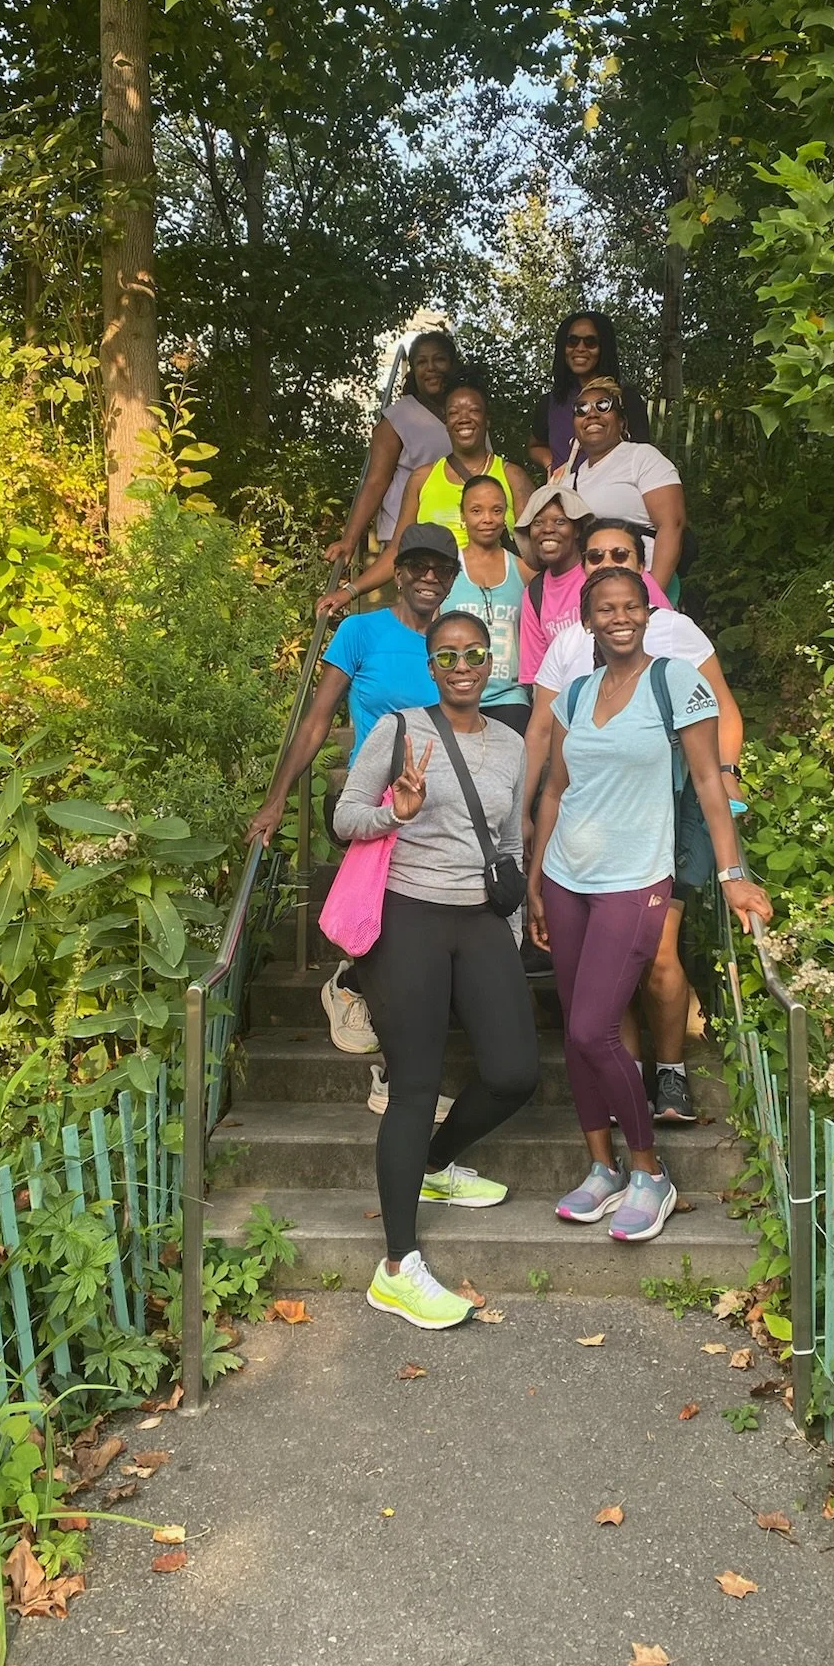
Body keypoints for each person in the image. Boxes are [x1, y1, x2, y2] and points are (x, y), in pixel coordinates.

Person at [527, 567, 772, 1242]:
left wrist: (732, 873)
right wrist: (534, 879)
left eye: (629, 605)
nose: (618, 618)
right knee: (576, 1031)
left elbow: (707, 781)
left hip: (636, 878)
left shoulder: (675, 682)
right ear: (588, 621)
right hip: (566, 876)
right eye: (604, 609)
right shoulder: (573, 694)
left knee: (591, 1030)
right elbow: (553, 790)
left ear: (647, 611)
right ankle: (601, 1169)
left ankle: (649, 1171)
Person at [334, 613, 539, 1329]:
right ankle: (397, 1266)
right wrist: (397, 810)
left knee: (515, 1071)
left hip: (480, 919)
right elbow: (344, 815)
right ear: (431, 663)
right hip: (409, 918)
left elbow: (510, 842)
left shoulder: (512, 745)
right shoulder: (398, 730)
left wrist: (509, 930)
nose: (461, 664)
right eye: (446, 655)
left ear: (491, 662)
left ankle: (434, 1165)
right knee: (416, 1083)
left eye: (473, 654)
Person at [524, 518, 747, 1125]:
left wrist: (729, 780)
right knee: (604, 978)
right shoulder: (568, 643)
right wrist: (526, 811)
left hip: (663, 810)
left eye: (618, 553)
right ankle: (621, 1082)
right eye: (593, 556)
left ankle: (669, 1074)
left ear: (645, 570)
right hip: (590, 832)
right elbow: (546, 734)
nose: (604, 563)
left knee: (661, 957)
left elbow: (719, 714)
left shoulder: (675, 632)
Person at [246, 523, 460, 1053]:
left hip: (439, 804)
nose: (428, 576)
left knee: (422, 925)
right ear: (399, 573)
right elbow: (318, 722)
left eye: (441, 568)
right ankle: (350, 990)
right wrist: (276, 802)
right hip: (376, 803)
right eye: (417, 565)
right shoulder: (360, 633)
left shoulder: (455, 642)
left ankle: (362, 991)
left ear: (453, 579)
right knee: (385, 916)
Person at [319, 384, 533, 614]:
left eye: (473, 410)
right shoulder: (423, 478)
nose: (464, 418)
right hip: (435, 606)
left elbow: (533, 552)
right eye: (453, 413)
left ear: (487, 419)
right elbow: (396, 551)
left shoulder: (512, 476)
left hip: (500, 603)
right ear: (445, 423)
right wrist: (349, 591)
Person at [323, 330, 459, 571]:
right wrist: (349, 540)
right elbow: (375, 481)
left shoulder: (468, 413)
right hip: (407, 539)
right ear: (413, 371)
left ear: (452, 364)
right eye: (421, 362)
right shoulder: (397, 418)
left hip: (456, 534)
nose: (431, 368)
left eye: (439, 359)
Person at [514, 482, 666, 687]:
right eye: (538, 523)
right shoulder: (534, 593)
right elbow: (535, 676)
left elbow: (667, 633)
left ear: (577, 529)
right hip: (571, 705)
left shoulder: (616, 571)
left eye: (560, 521)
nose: (548, 529)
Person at [548, 376, 686, 595]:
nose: (591, 413)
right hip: (592, 596)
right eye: (581, 409)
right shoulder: (569, 480)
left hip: (644, 583)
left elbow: (672, 525)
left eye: (603, 406)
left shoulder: (642, 457)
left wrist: (652, 597)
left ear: (622, 422)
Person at [442, 476, 534, 735]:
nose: (487, 519)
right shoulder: (446, 571)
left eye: (496, 510)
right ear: (463, 515)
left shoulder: (523, 570)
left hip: (509, 698)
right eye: (476, 510)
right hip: (454, 693)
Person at [529, 311, 650, 476]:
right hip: (564, 497)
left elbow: (643, 457)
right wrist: (551, 465)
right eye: (572, 341)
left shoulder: (626, 399)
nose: (580, 348)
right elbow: (535, 446)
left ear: (603, 347)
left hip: (612, 495)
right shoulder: (550, 402)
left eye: (590, 342)